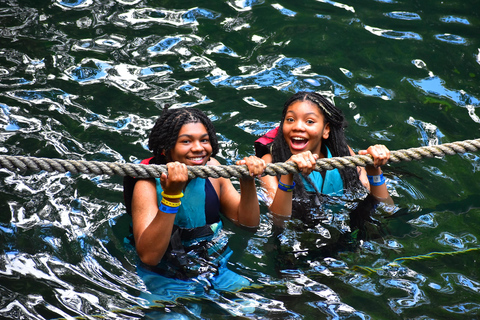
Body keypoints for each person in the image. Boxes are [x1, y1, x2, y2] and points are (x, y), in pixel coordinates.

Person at [123, 107, 266, 300]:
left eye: (204, 140)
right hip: (162, 275)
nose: (199, 148)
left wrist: (247, 181)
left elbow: (247, 225)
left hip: (213, 266)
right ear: (166, 149)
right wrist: (171, 195)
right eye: (186, 141)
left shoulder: (213, 170)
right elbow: (149, 257)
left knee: (254, 304)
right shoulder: (146, 182)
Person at [255, 91, 393, 220]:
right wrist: (288, 172)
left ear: (325, 130)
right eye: (290, 119)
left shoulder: (341, 153)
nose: (297, 127)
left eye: (309, 121)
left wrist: (374, 168)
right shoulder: (270, 163)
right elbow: (279, 220)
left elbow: (387, 208)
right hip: (303, 234)